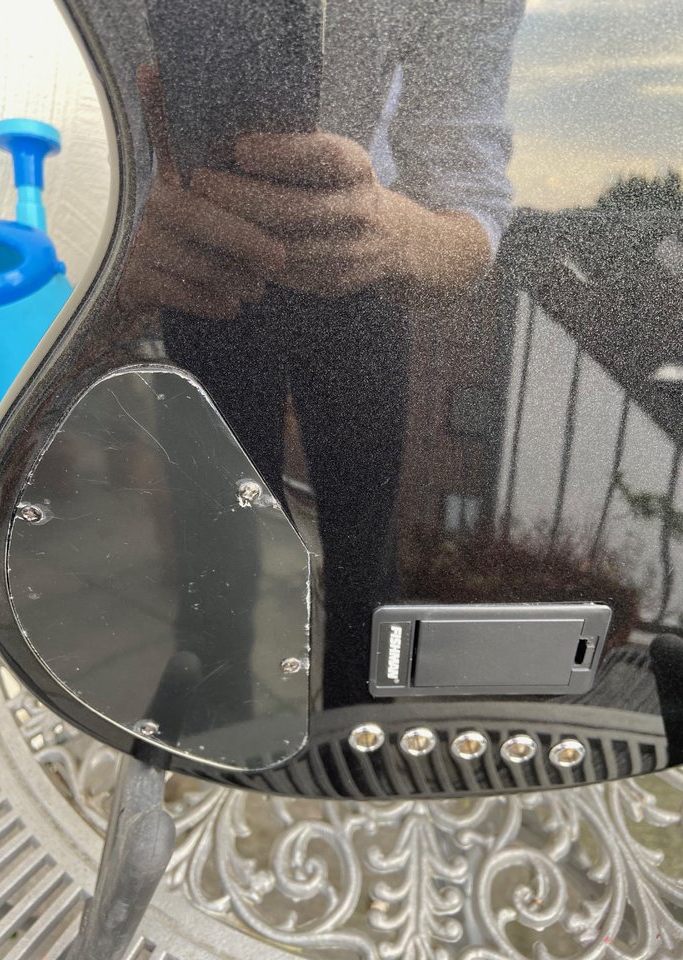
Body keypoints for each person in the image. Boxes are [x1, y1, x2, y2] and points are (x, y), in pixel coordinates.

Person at [119, 0, 526, 709]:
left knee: (343, 547)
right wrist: (122, 240)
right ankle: (242, 705)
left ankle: (318, 719)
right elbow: (471, 189)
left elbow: (471, 199)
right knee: (228, 540)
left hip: (352, 261)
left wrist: (394, 236)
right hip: (202, 259)